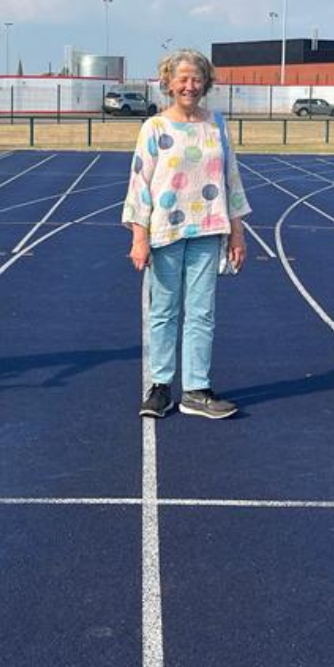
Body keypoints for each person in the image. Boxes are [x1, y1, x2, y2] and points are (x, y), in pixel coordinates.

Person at [122, 49, 250, 420]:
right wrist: (138, 236)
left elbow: (232, 179)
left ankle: (196, 389)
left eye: (196, 79)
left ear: (206, 83)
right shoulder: (155, 128)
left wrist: (237, 233)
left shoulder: (217, 125)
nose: (190, 86)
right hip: (165, 230)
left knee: (201, 312)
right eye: (182, 80)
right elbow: (139, 185)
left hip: (209, 228)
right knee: (163, 311)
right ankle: (160, 386)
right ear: (169, 83)